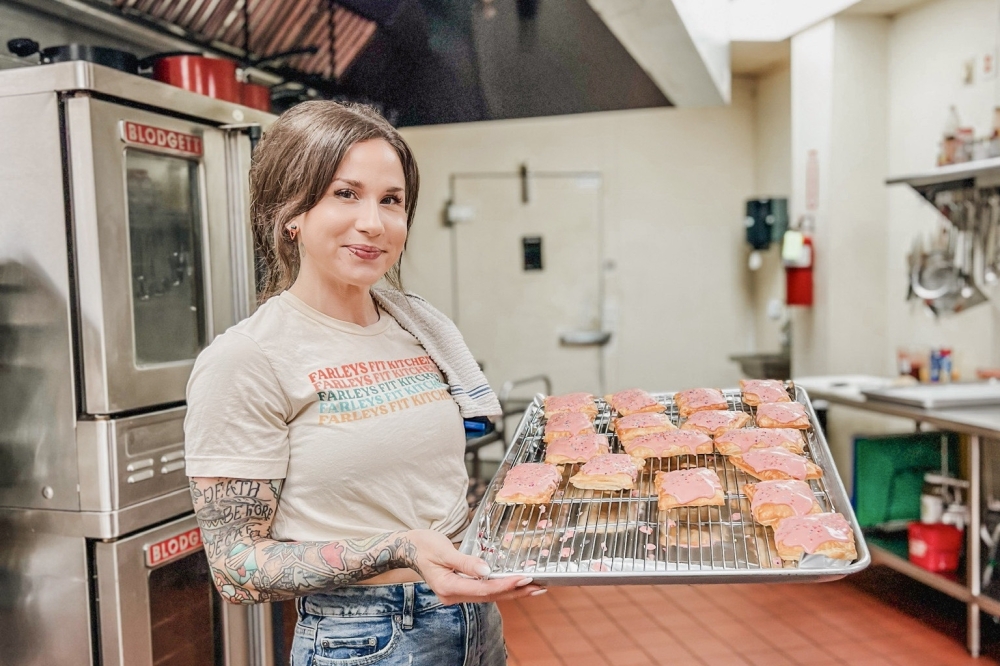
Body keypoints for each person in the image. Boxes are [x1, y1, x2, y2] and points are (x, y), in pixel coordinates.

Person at [184, 100, 543, 666]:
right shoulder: (247, 358)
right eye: (344, 194)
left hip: (473, 623)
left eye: (391, 200)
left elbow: (420, 484)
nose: (374, 223)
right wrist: (400, 547)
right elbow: (235, 569)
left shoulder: (418, 329)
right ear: (290, 212)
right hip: (364, 637)